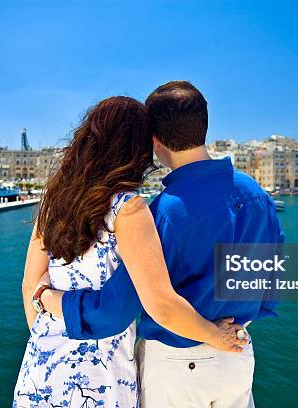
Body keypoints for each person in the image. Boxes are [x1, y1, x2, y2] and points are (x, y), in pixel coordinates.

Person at [39, 81, 285, 407]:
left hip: (177, 363)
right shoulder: (256, 195)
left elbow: (118, 308)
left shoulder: (164, 212)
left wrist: (49, 299)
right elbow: (271, 281)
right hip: (237, 355)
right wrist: (232, 327)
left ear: (155, 141)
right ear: (203, 126)